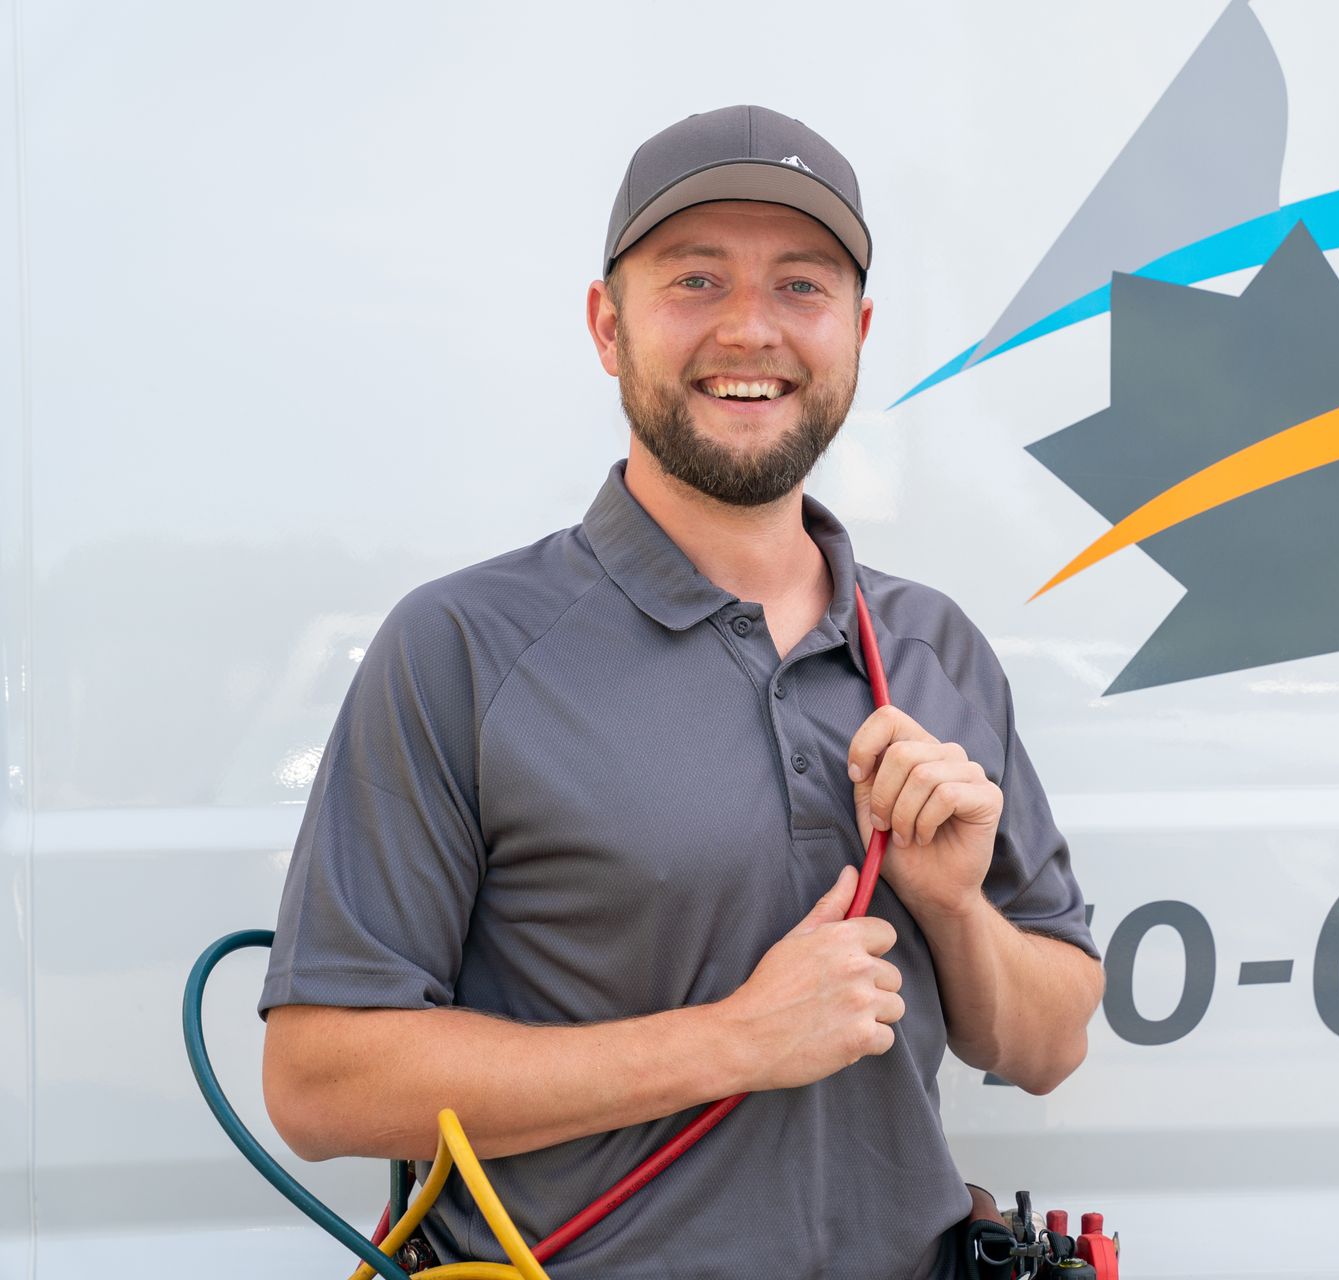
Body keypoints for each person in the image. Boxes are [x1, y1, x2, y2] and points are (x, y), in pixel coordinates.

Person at [258, 104, 1104, 1279]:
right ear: (609, 326)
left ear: (857, 332)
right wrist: (731, 1041)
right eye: (696, 280)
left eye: (800, 286)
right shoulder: (461, 646)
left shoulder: (934, 644)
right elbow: (319, 1081)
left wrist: (953, 908)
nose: (750, 329)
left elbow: (1051, 1039)